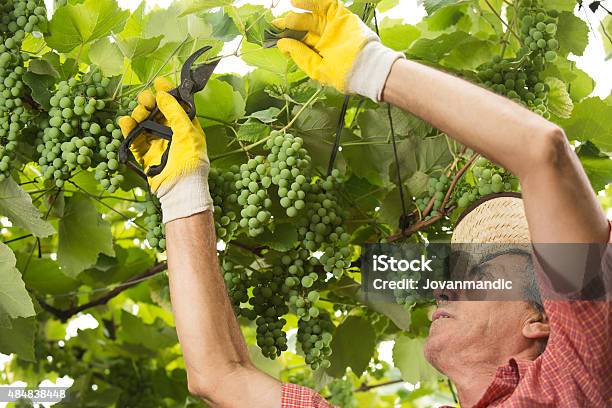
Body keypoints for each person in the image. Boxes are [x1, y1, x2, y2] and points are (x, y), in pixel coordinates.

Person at [118, 0, 612, 406]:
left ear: (541, 319)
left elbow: (545, 154)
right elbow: (217, 374)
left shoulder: (575, 381)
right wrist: (181, 189)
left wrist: (371, 66)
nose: (444, 289)